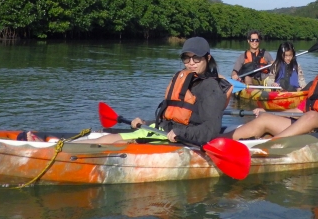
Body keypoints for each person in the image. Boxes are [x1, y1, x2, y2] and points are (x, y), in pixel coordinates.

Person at [94, 37, 232, 146]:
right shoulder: (184, 79)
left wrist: (181, 132)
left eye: (196, 58)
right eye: (186, 58)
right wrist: (145, 122)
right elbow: (172, 116)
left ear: (207, 58)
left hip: (181, 138)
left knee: (117, 142)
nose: (191, 63)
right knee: (107, 138)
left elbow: (211, 129)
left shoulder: (210, 87)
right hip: (163, 129)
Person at [229, 45, 318, 140]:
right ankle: (217, 141)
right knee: (264, 119)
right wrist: (269, 112)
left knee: (312, 115)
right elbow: (299, 110)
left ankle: (273, 142)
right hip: (306, 124)